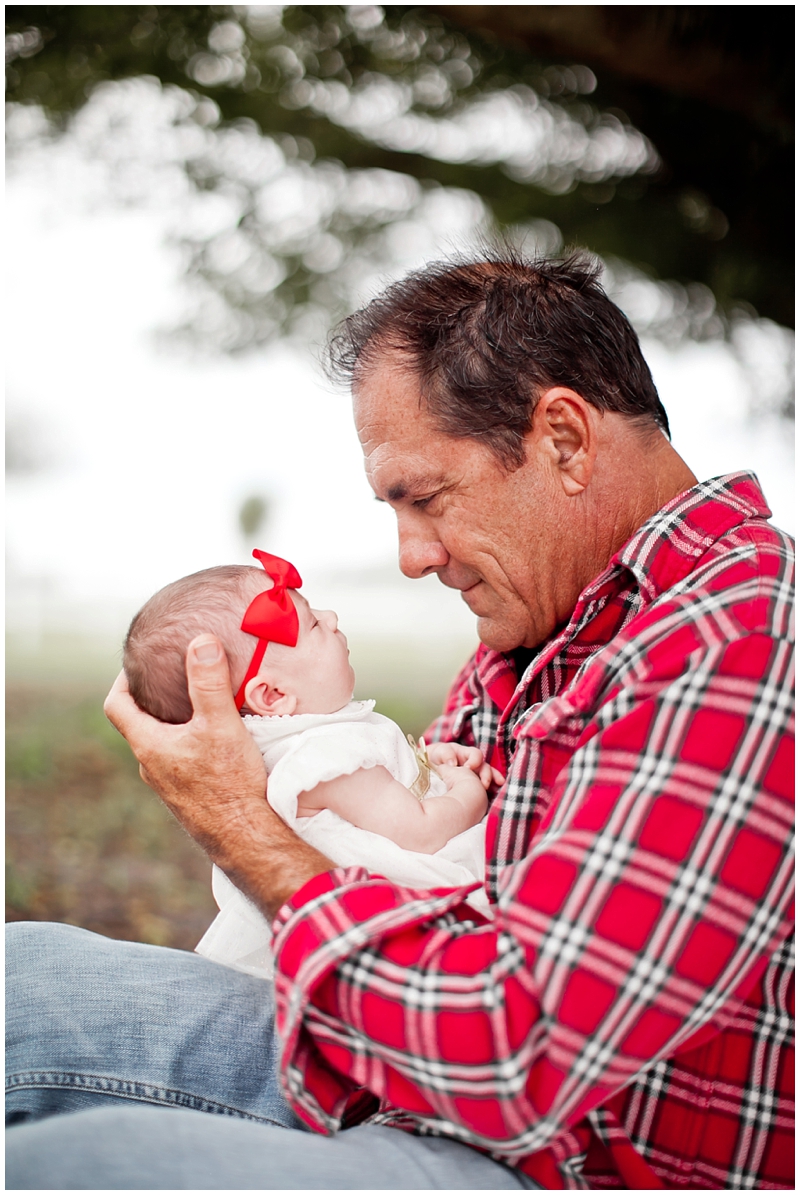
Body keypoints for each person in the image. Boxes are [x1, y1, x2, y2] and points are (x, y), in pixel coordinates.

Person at [6, 252, 793, 1190]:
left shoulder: (735, 636)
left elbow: (518, 1054)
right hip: (408, 1064)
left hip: (556, 1157)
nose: (412, 556)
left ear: (566, 442)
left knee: (77, 1167)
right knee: (18, 980)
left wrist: (245, 828)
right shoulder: (549, 619)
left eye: (423, 498)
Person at [123, 550, 494, 976]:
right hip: (414, 926)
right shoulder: (326, 759)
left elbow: (387, 795)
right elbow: (423, 831)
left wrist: (429, 765)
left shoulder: (309, 747)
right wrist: (466, 787)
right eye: (313, 623)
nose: (332, 616)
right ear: (274, 696)